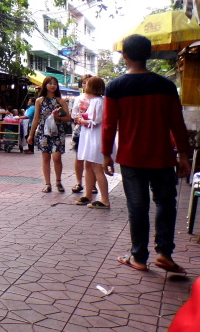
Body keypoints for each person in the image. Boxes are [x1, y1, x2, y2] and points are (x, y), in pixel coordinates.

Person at [103, 34, 190, 273]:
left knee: (137, 205)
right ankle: (164, 253)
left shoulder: (115, 87)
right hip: (162, 156)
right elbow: (177, 123)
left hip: (131, 158)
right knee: (165, 202)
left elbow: (109, 125)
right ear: (149, 54)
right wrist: (183, 154)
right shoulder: (166, 85)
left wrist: (105, 155)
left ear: (125, 55)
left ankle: (139, 257)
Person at [27, 76, 70, 193]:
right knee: (45, 158)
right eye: (50, 83)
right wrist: (31, 135)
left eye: (55, 83)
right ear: (45, 85)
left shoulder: (60, 101)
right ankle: (47, 184)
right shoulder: (39, 101)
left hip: (57, 132)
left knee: (57, 157)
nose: (52, 85)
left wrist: (58, 117)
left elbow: (67, 117)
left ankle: (58, 181)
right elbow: (36, 118)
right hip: (43, 132)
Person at [74, 76, 110, 208]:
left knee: (96, 167)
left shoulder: (97, 101)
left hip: (94, 137)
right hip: (89, 136)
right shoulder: (96, 101)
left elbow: (95, 120)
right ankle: (88, 195)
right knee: (88, 165)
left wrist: (82, 121)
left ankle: (104, 199)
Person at [70, 74, 95, 194]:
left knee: (91, 158)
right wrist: (78, 117)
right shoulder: (78, 98)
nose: (86, 85)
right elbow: (73, 114)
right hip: (80, 130)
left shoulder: (98, 99)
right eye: (84, 83)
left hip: (93, 130)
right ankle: (79, 182)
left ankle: (92, 184)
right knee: (79, 157)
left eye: (88, 82)